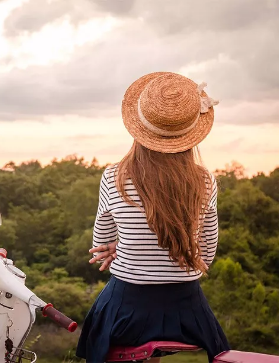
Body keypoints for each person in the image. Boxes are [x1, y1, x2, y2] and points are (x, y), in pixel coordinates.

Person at [75, 72, 230, 363]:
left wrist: (127, 248)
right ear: (190, 132)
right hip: (187, 309)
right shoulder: (206, 181)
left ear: (139, 126)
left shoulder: (114, 177)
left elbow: (101, 244)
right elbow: (206, 255)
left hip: (128, 306)